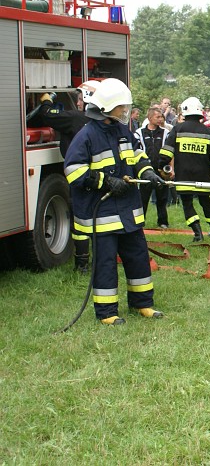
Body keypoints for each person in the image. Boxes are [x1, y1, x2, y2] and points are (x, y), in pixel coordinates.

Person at [63, 78, 166, 325]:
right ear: (107, 108)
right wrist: (105, 182)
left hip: (128, 211)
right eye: (121, 107)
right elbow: (73, 171)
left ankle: (143, 304)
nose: (125, 111)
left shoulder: (123, 131)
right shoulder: (86, 136)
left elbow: (138, 156)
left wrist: (148, 173)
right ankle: (107, 313)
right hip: (104, 213)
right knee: (106, 264)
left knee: (138, 257)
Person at [41, 81, 95, 273]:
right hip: (99, 177)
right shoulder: (103, 122)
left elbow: (47, 115)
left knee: (80, 219)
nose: (77, 103)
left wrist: (46, 101)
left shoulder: (74, 118)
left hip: (80, 178)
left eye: (80, 99)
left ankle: (82, 265)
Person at [160, 97, 210, 242]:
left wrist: (162, 167)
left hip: (183, 174)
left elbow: (167, 151)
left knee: (187, 203)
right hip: (202, 174)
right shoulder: (207, 131)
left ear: (185, 111)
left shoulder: (177, 129)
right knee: (206, 201)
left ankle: (198, 233)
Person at [135, 107, 170, 228]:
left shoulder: (165, 132)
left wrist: (171, 168)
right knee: (143, 198)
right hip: (145, 170)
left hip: (161, 170)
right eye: (158, 117)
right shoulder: (139, 132)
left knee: (162, 198)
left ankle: (163, 222)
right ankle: (140, 222)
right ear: (150, 118)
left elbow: (171, 151)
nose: (160, 119)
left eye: (161, 117)